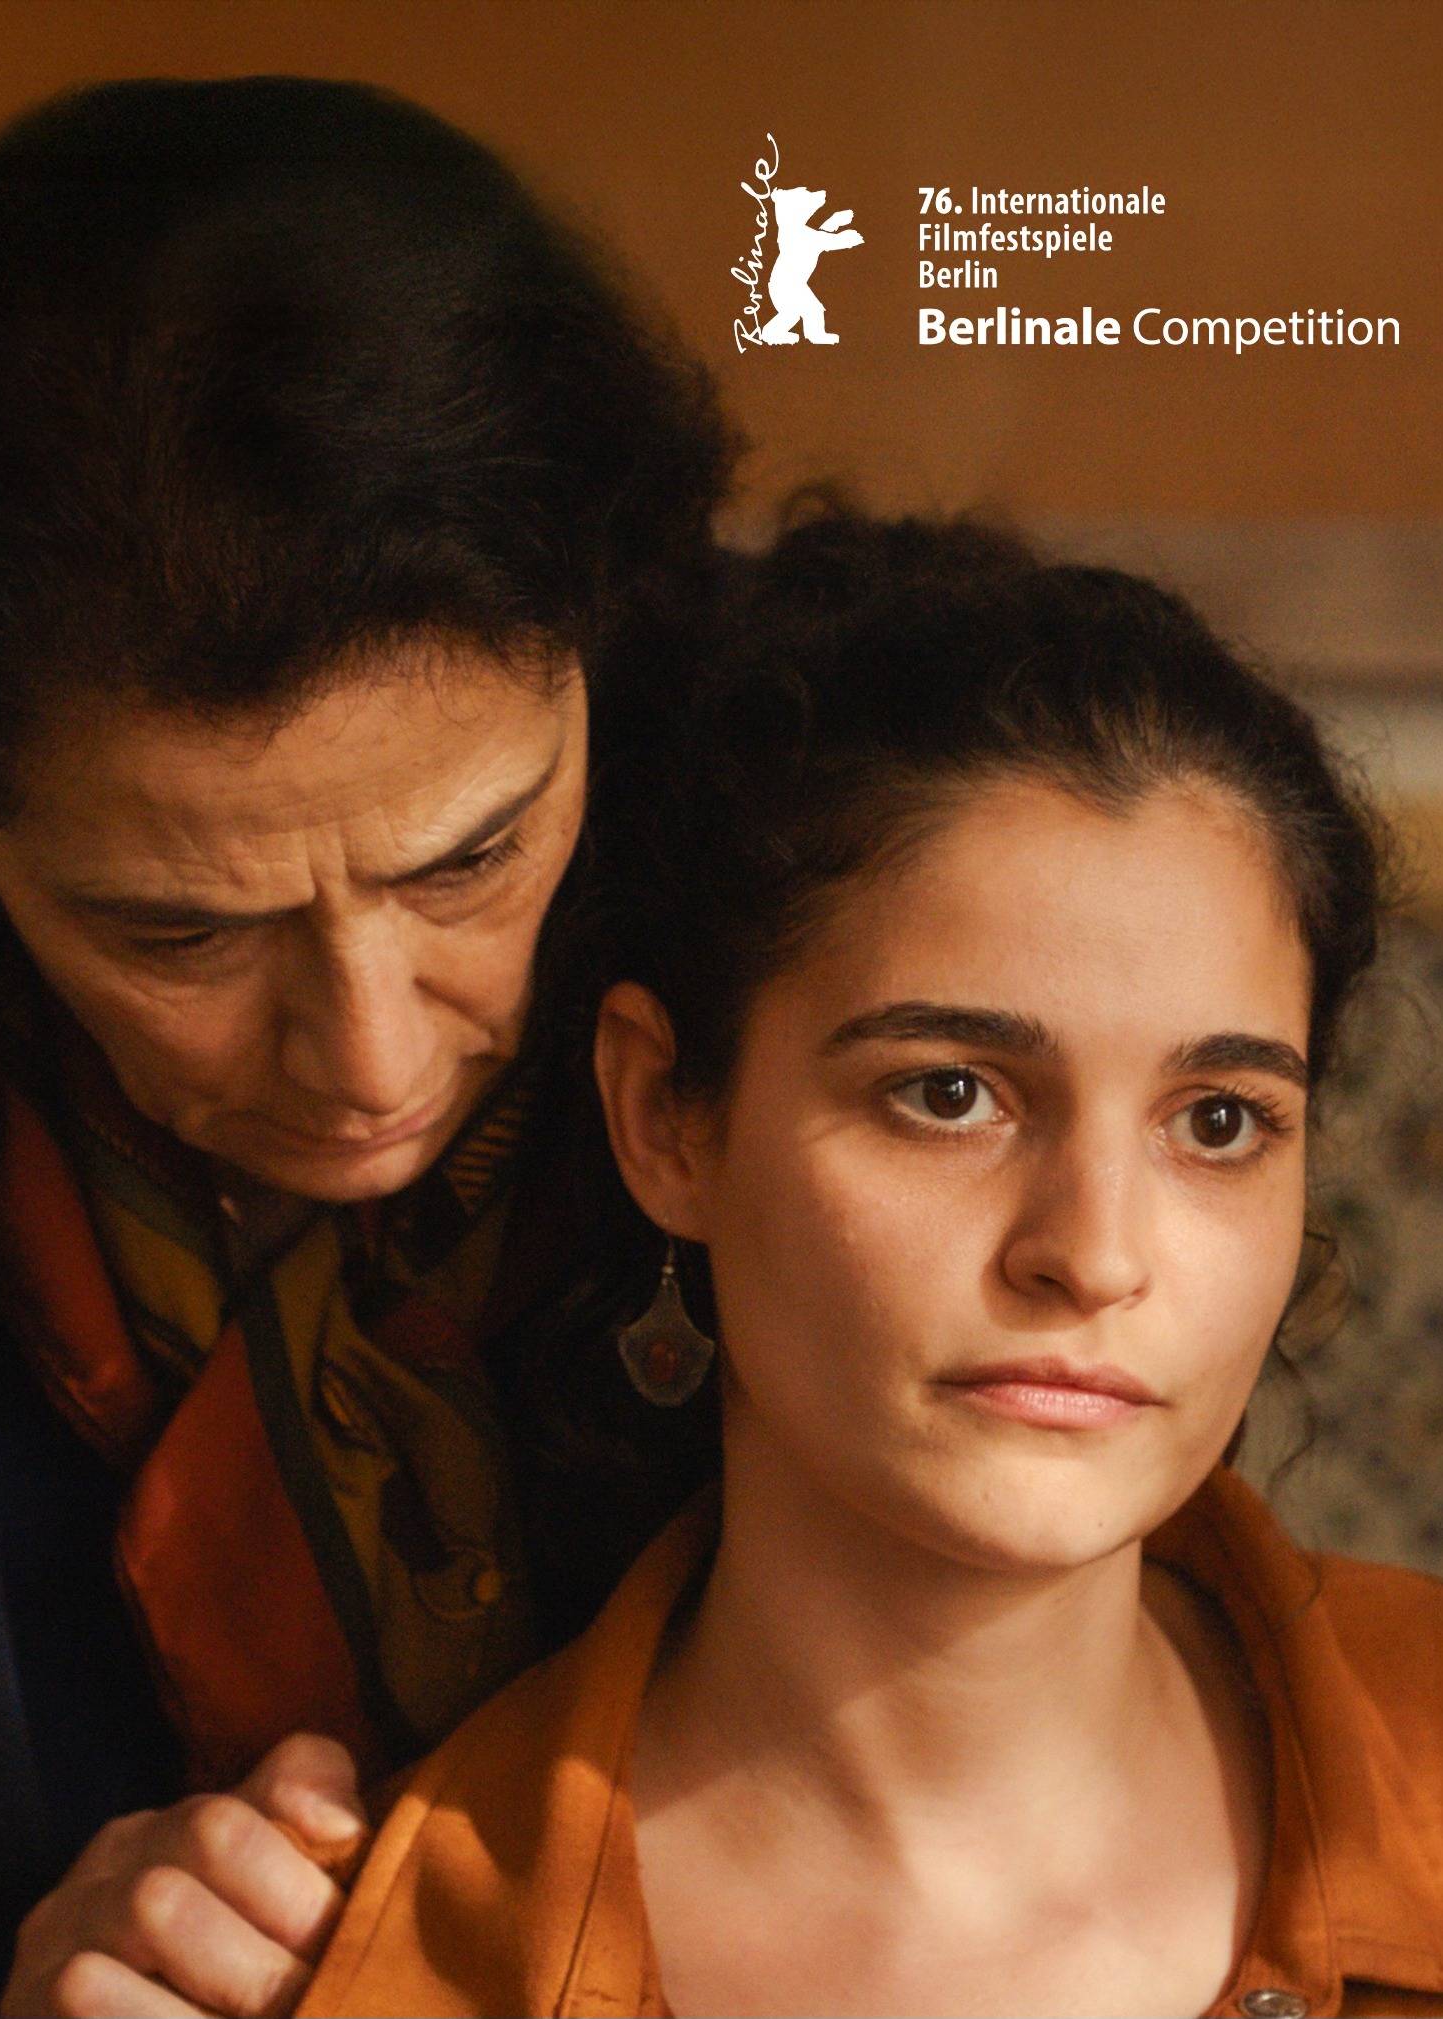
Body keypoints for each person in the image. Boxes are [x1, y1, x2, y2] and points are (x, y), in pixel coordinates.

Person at [293, 509, 1443, 2018]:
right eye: (949, 1094)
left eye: (1216, 1121)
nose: (1094, 1254)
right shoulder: (383, 1969)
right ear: (666, 1117)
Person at [0, 74, 735, 2017]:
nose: (370, 1063)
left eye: (471, 859)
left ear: (600, 655)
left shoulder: (828, 955)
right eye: (178, 933)